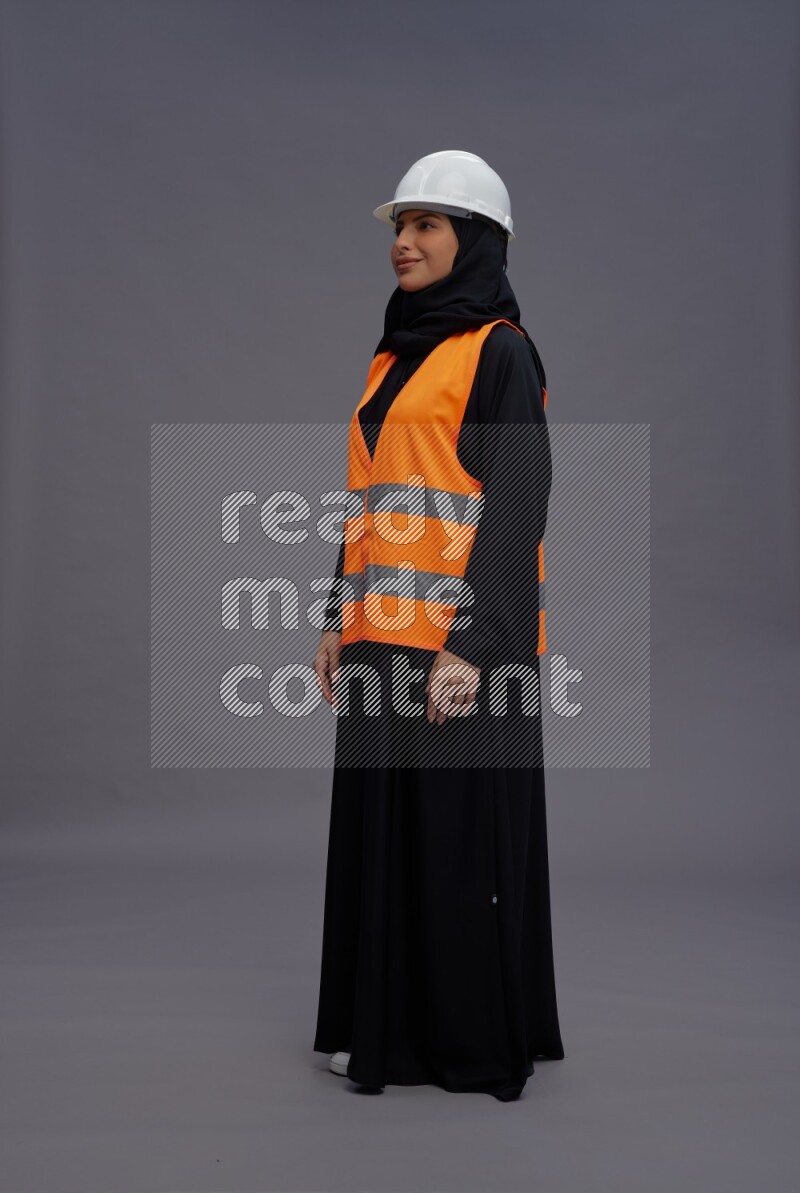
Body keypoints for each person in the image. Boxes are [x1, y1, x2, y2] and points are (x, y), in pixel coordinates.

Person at [311, 150, 565, 1101]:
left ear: (476, 242)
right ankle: (384, 1026)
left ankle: (462, 1043)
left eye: (426, 225)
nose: (404, 243)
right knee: (387, 836)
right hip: (382, 643)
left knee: (459, 847)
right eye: (398, 227)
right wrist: (337, 614)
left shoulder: (500, 349)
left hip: (462, 651)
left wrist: (479, 643)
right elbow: (371, 496)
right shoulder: (395, 353)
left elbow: (518, 501)